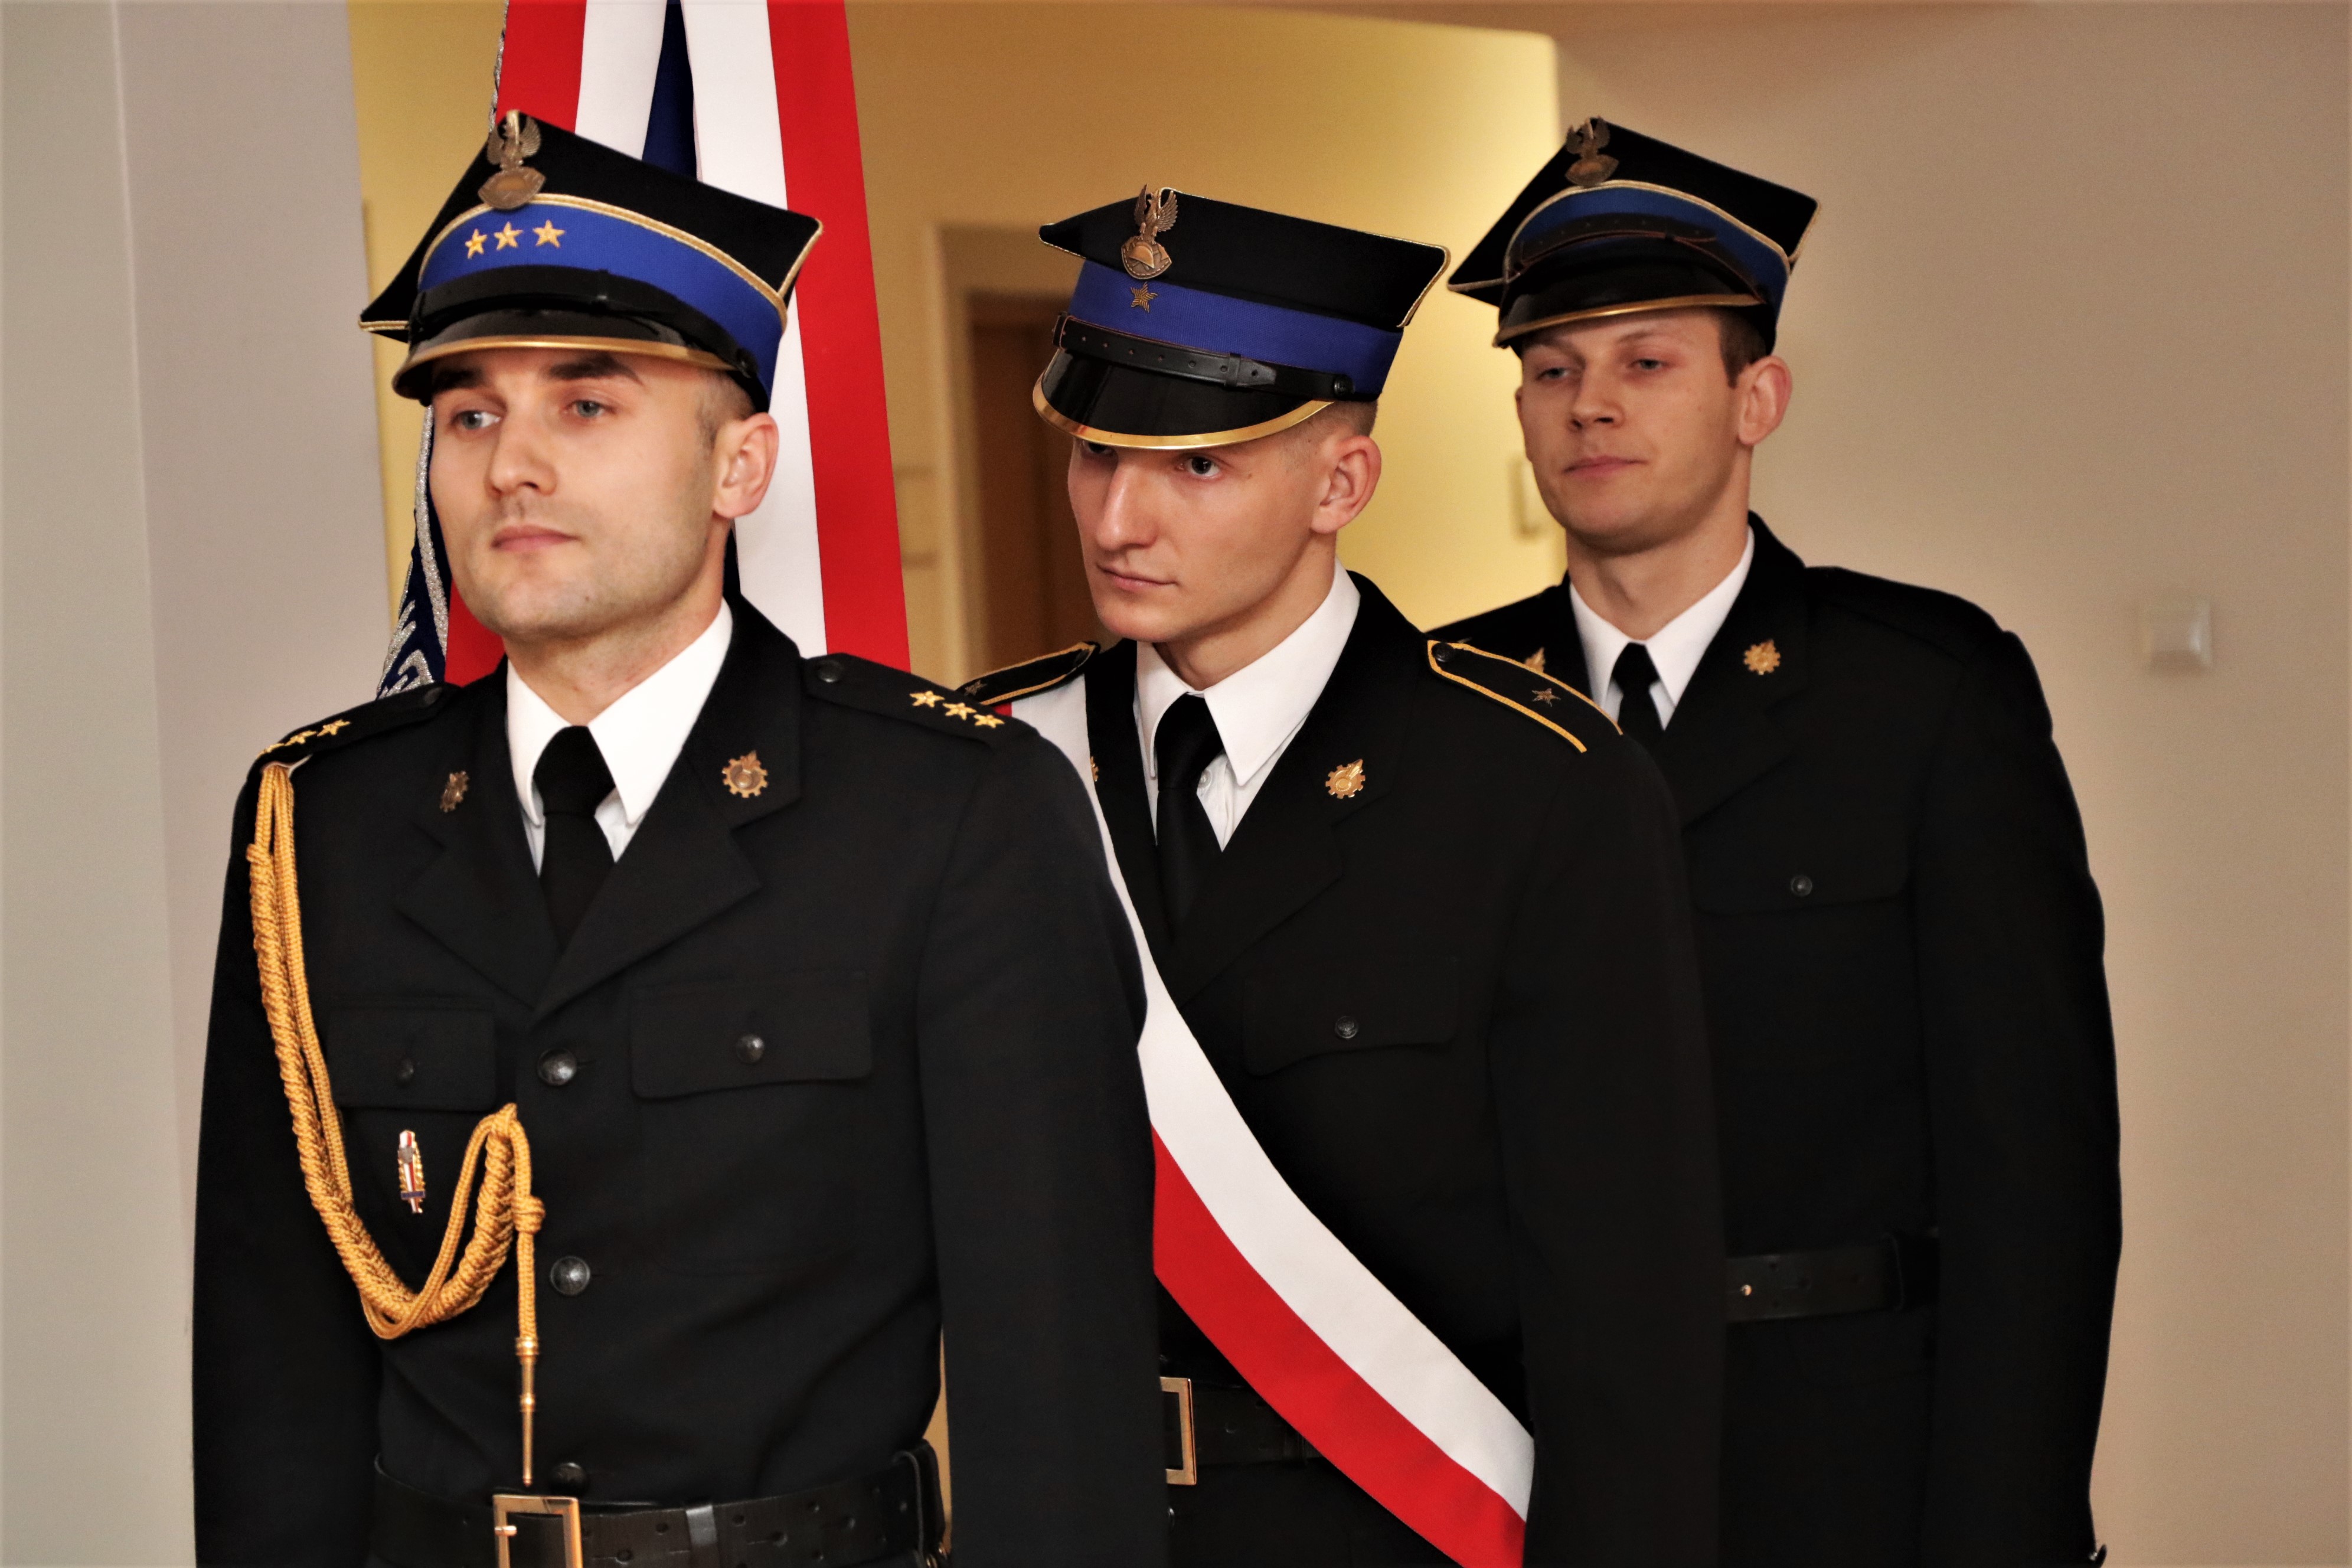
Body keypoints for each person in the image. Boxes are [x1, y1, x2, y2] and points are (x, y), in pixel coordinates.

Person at [191, 117, 1165, 1568]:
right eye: (469, 415)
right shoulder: (322, 818)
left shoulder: (952, 811)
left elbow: (1060, 1391)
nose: (512, 466)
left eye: (587, 405)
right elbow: (272, 1364)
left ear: (740, 465)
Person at [960, 188, 1723, 1566]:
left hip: (1395, 1522)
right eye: (1095, 453)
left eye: (1197, 466)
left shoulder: (1535, 787)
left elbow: (1628, 1316)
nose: (1119, 516)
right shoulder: (983, 769)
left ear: (1341, 485)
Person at [1436, 119, 2122, 1566]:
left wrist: (2007, 1529)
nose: (1589, 405)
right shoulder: (1450, 711)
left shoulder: (1923, 694)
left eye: (1646, 362)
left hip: (1840, 1454)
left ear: (1759, 398)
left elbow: (2034, 1182)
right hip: (1527, 1455)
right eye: (1549, 370)